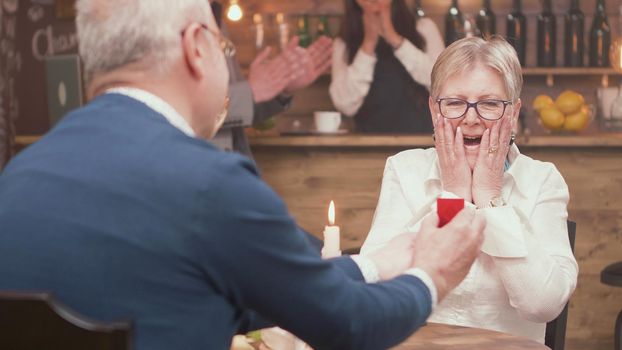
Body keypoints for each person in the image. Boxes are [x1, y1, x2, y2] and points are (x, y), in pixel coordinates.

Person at [0, 1, 486, 350]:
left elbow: (239, 292)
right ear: (196, 47)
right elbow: (350, 328)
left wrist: (374, 264)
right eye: (221, 43)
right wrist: (433, 274)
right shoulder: (209, 182)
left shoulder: (17, 177)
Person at [361, 36, 579, 343]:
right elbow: (374, 289)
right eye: (454, 103)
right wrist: (454, 198)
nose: (471, 118)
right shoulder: (404, 169)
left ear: (513, 114)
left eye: (490, 103)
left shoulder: (542, 180)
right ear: (434, 110)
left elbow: (543, 304)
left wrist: (491, 197)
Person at [210, 0, 332, 157]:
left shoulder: (216, 20)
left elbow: (238, 111)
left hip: (229, 169)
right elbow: (181, 110)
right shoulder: (172, 17)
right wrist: (251, 92)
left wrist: (282, 89)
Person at [329, 0, 444, 133]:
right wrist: (368, 44)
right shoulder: (344, 42)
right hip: (366, 145)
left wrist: (394, 39)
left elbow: (441, 85)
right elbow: (345, 104)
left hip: (421, 143)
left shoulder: (424, 28)